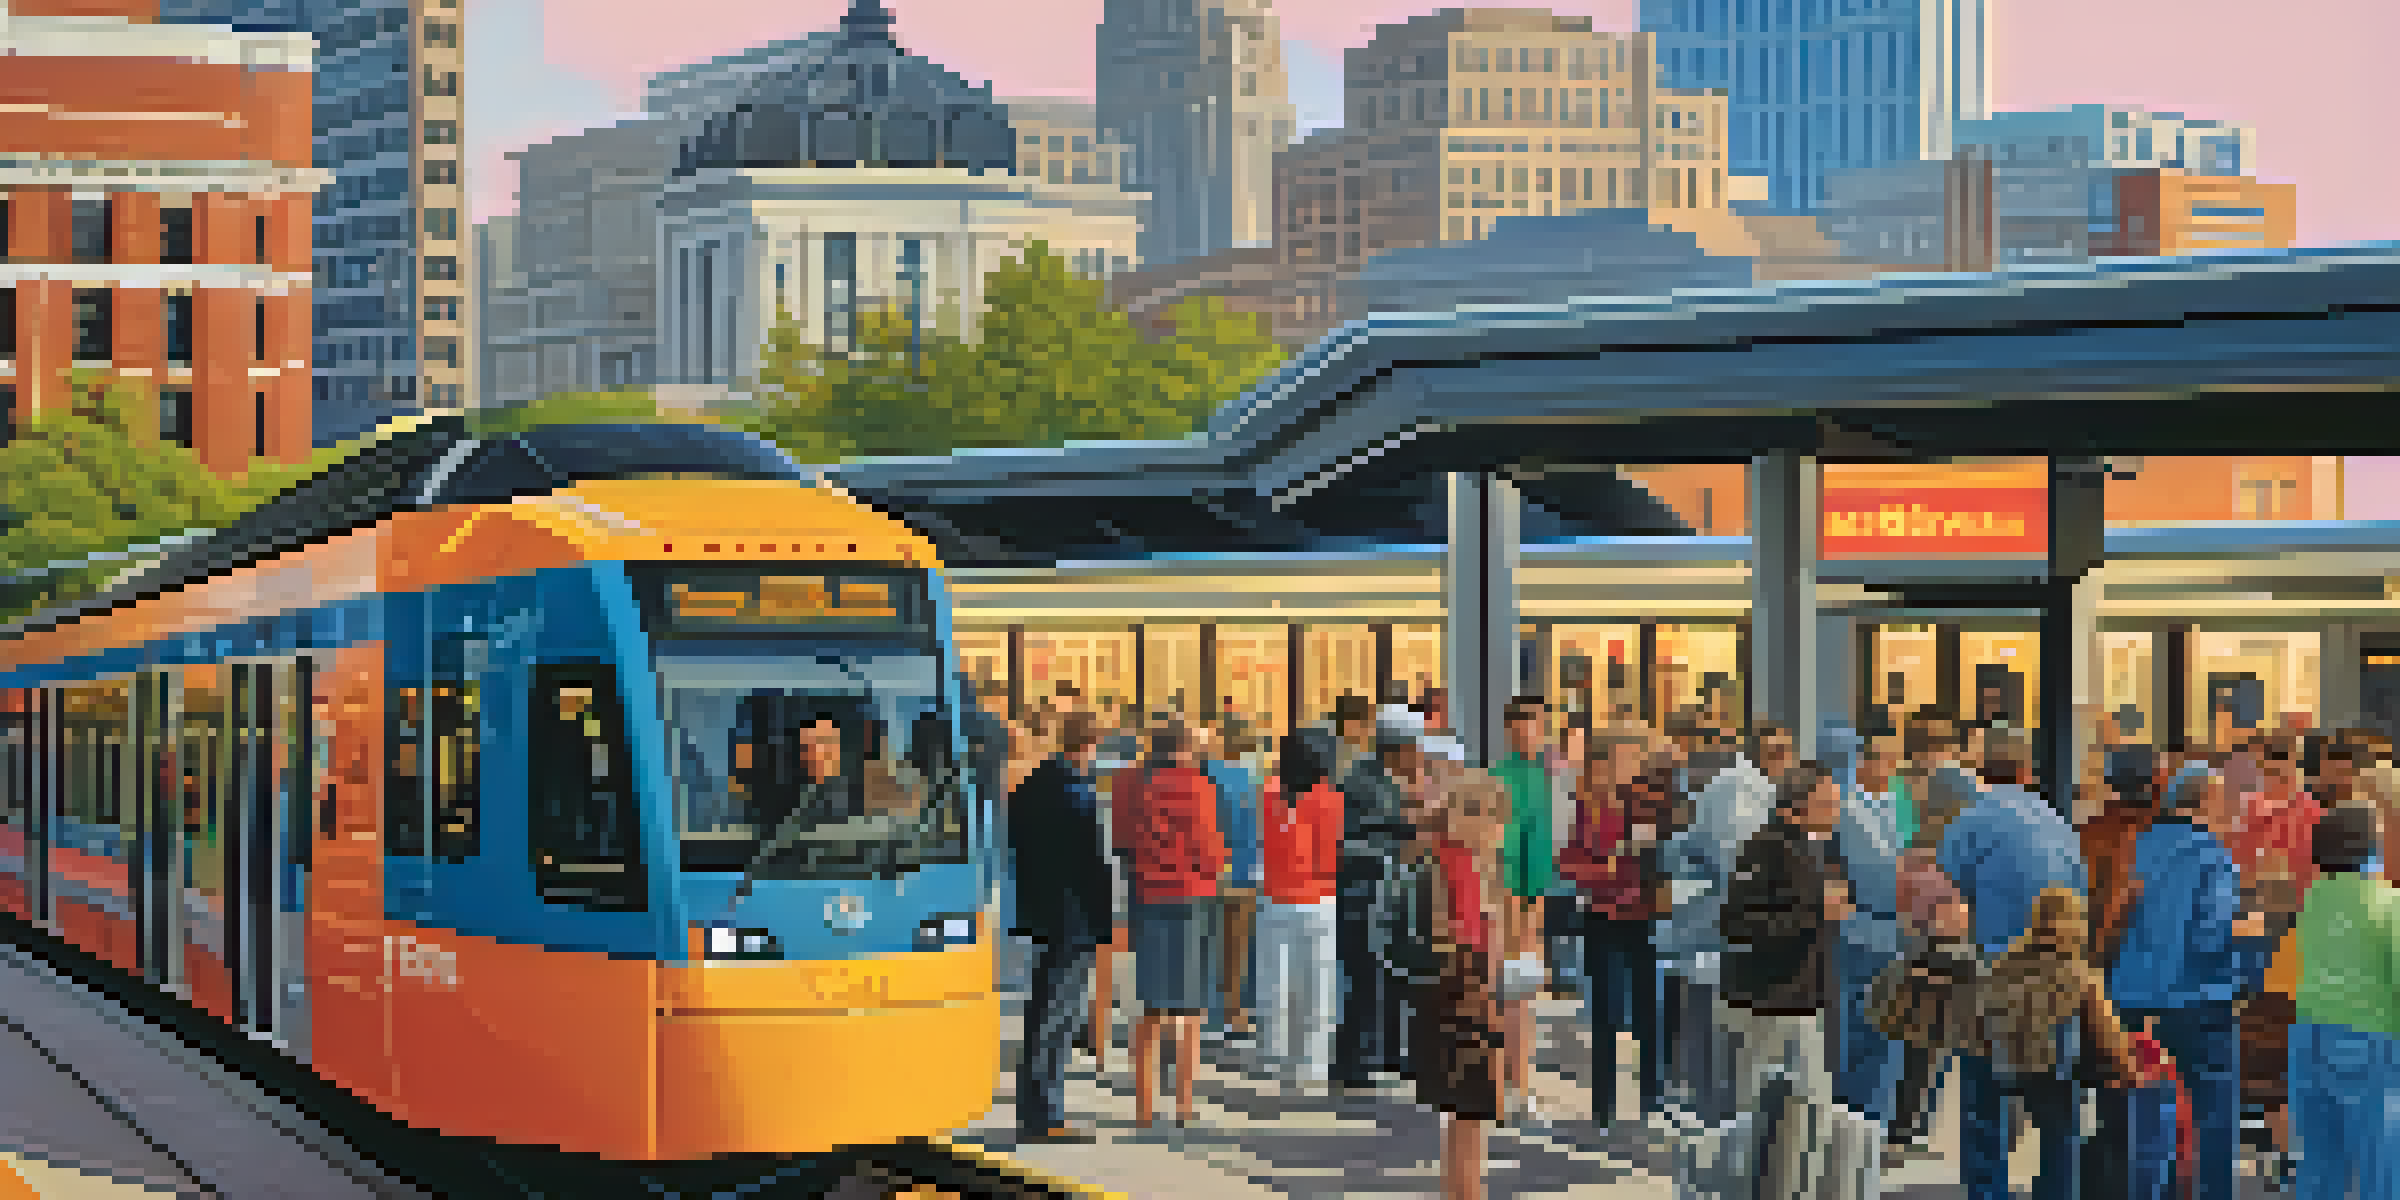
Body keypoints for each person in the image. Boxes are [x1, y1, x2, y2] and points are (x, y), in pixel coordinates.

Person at [2110, 761, 2283, 1200]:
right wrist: (2251, 936)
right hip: (2197, 1000)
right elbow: (2210, 937)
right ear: (2203, 801)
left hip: (2130, 998)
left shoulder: (2135, 847)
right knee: (2212, 1113)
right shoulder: (2211, 855)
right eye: (2224, 798)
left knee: (2145, 1110)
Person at [1933, 726, 2090, 1200]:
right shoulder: (2058, 823)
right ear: (2027, 771)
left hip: (1994, 979)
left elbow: (1945, 900)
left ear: (1981, 769)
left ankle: (1989, 1194)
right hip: (2055, 982)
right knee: (2056, 1105)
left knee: (1984, 1103)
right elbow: (2079, 898)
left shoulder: (1971, 822)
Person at [1976, 887, 2183, 1200]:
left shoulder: (2003, 969)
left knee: (2023, 1143)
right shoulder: (2079, 975)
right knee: (2063, 1151)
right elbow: (2110, 1040)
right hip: (2057, 1078)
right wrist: (2132, 1071)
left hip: (2006, 1073)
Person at [1718, 762, 1856, 1200]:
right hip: (1772, 1001)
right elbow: (1738, 924)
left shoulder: (1807, 848)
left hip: (1802, 998)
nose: (1837, 811)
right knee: (1770, 1107)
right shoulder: (1769, 848)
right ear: (1799, 804)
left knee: (1805, 1110)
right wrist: (1818, 910)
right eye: (1828, 803)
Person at [1653, 721, 1776, 1127]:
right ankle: (1712, 1112)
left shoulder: (1741, 786)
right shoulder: (1736, 791)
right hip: (1720, 928)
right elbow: (1735, 860)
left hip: (1718, 928)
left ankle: (1708, 1105)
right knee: (1712, 1024)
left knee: (1710, 1021)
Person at [1402, 734, 1508, 1200]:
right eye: (1498, 821)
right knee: (1471, 1113)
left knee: (1460, 1115)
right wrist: (1487, 1004)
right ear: (1477, 819)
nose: (1502, 831)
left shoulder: (1436, 856)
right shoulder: (1462, 866)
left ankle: (1461, 1191)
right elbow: (1465, 940)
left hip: (1438, 997)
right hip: (1464, 998)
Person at [2283, 804, 2399, 1200]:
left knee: (2319, 1163)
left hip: (2307, 1037)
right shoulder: (2389, 904)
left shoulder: (2314, 898)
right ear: (2371, 848)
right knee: (2380, 1166)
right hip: (2371, 1043)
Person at [1117, 721, 1227, 1130]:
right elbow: (1207, 844)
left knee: (1149, 1005)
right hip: (1190, 895)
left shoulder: (1130, 783)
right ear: (1184, 749)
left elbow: (1122, 838)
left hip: (1146, 893)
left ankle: (1144, 1107)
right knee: (1189, 1007)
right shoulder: (1195, 785)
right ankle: (1183, 1103)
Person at [1008, 711, 1112, 1144]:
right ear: (1089, 746)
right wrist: (1105, 924)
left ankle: (1033, 1107)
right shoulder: (1078, 794)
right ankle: (1047, 1115)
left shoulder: (1031, 788)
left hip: (1041, 913)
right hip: (1075, 921)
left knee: (1040, 1014)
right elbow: (1093, 867)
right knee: (1059, 1017)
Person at [1559, 731, 1669, 1131]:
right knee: (1605, 1013)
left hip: (1644, 915)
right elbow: (1568, 863)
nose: (1632, 767)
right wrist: (1603, 868)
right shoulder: (1583, 809)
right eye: (1625, 759)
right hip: (1602, 916)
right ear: (1601, 765)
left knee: (1649, 1009)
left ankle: (1651, 1100)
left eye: (1635, 759)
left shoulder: (1647, 802)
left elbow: (1668, 849)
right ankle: (1603, 1107)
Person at [1821, 721, 1906, 1150]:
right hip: (1867, 939)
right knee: (1870, 1044)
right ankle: (1863, 1137)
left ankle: (1858, 1134)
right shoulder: (1850, 808)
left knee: (1860, 1043)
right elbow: (1883, 880)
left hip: (1866, 936)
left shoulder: (1873, 805)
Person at [1333, 707, 1427, 1092]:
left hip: (1387, 892)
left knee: (1392, 975)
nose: (1419, 756)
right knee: (1365, 977)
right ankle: (1354, 1060)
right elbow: (1364, 837)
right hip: (1364, 894)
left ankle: (1390, 1050)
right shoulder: (1362, 782)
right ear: (1396, 749)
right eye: (1414, 748)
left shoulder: (1385, 778)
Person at [1257, 728, 1345, 1096]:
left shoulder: (1270, 794)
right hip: (1319, 898)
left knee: (1277, 981)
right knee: (1318, 984)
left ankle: (1277, 1058)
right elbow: (1330, 855)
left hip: (1277, 897)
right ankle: (1313, 1064)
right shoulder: (1329, 799)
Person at [1490, 696, 1554, 1128]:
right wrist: (1526, 919)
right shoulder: (1511, 778)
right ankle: (1514, 1092)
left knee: (1515, 1001)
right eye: (1530, 723)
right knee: (1511, 1001)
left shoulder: (1536, 776)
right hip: (1510, 904)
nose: (1535, 731)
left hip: (1520, 902)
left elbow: (1537, 855)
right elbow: (1514, 853)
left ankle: (1516, 1090)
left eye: (1539, 723)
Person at [1199, 725, 1265, 1044]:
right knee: (1238, 950)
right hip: (1246, 873)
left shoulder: (1209, 777)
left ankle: (1209, 1015)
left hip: (1212, 873)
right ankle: (1235, 1014)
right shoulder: (1254, 783)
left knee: (1209, 945)